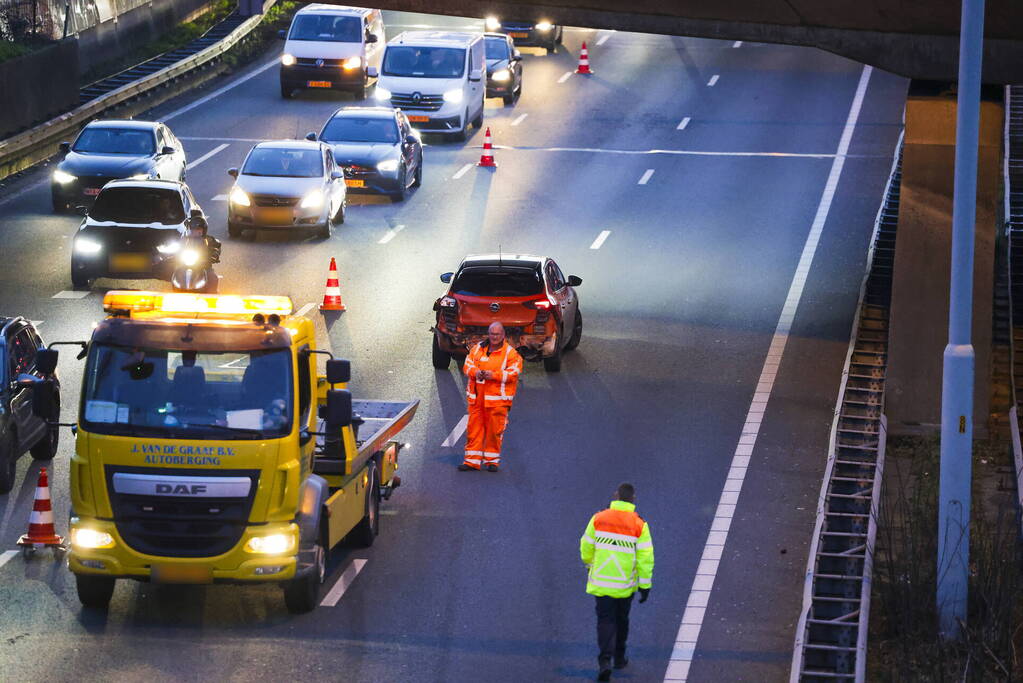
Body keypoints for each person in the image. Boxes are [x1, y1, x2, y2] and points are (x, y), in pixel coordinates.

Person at [580, 483, 654, 681]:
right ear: (633, 499)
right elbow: (645, 558)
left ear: (616, 496)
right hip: (624, 586)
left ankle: (605, 660)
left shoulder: (598, 518)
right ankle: (619, 658)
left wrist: (589, 566)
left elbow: (586, 546)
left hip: (602, 582)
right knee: (622, 621)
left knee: (605, 621)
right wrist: (645, 586)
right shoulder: (639, 525)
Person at [458, 321, 522, 472]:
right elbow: (467, 365)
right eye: (492, 334)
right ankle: (471, 462)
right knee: (474, 431)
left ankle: (492, 461)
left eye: (497, 334)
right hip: (477, 399)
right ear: (489, 334)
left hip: (498, 401)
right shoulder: (477, 349)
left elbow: (513, 373)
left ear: (503, 335)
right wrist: (476, 372)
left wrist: (493, 375)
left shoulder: (511, 354)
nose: (494, 337)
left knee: (494, 432)